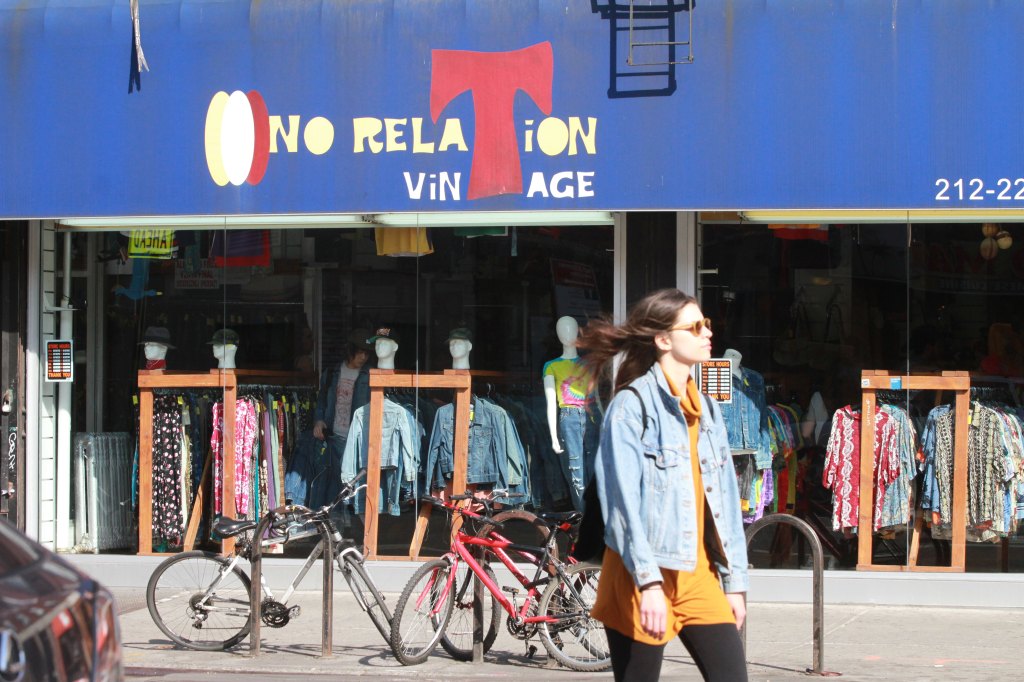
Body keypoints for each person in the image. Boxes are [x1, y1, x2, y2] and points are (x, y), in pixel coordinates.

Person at [579, 288, 749, 682]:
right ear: (663, 340)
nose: (708, 333)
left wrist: (735, 582)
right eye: (695, 326)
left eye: (706, 324)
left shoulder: (706, 408)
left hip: (697, 573)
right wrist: (650, 583)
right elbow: (621, 505)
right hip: (641, 572)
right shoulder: (630, 406)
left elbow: (724, 499)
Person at [543, 315, 598, 511]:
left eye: (571, 329)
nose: (567, 334)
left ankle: (594, 517)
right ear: (557, 335)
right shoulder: (551, 366)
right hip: (568, 416)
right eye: (562, 330)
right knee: (576, 472)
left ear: (577, 333)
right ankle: (583, 518)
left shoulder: (590, 364)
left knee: (593, 470)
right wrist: (554, 437)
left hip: (591, 416)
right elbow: (551, 403)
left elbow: (598, 398)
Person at [312, 328, 373, 445]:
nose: (363, 357)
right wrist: (319, 421)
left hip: (359, 439)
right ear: (350, 349)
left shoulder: (371, 375)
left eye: (367, 353)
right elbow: (321, 401)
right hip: (331, 437)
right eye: (360, 352)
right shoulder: (331, 373)